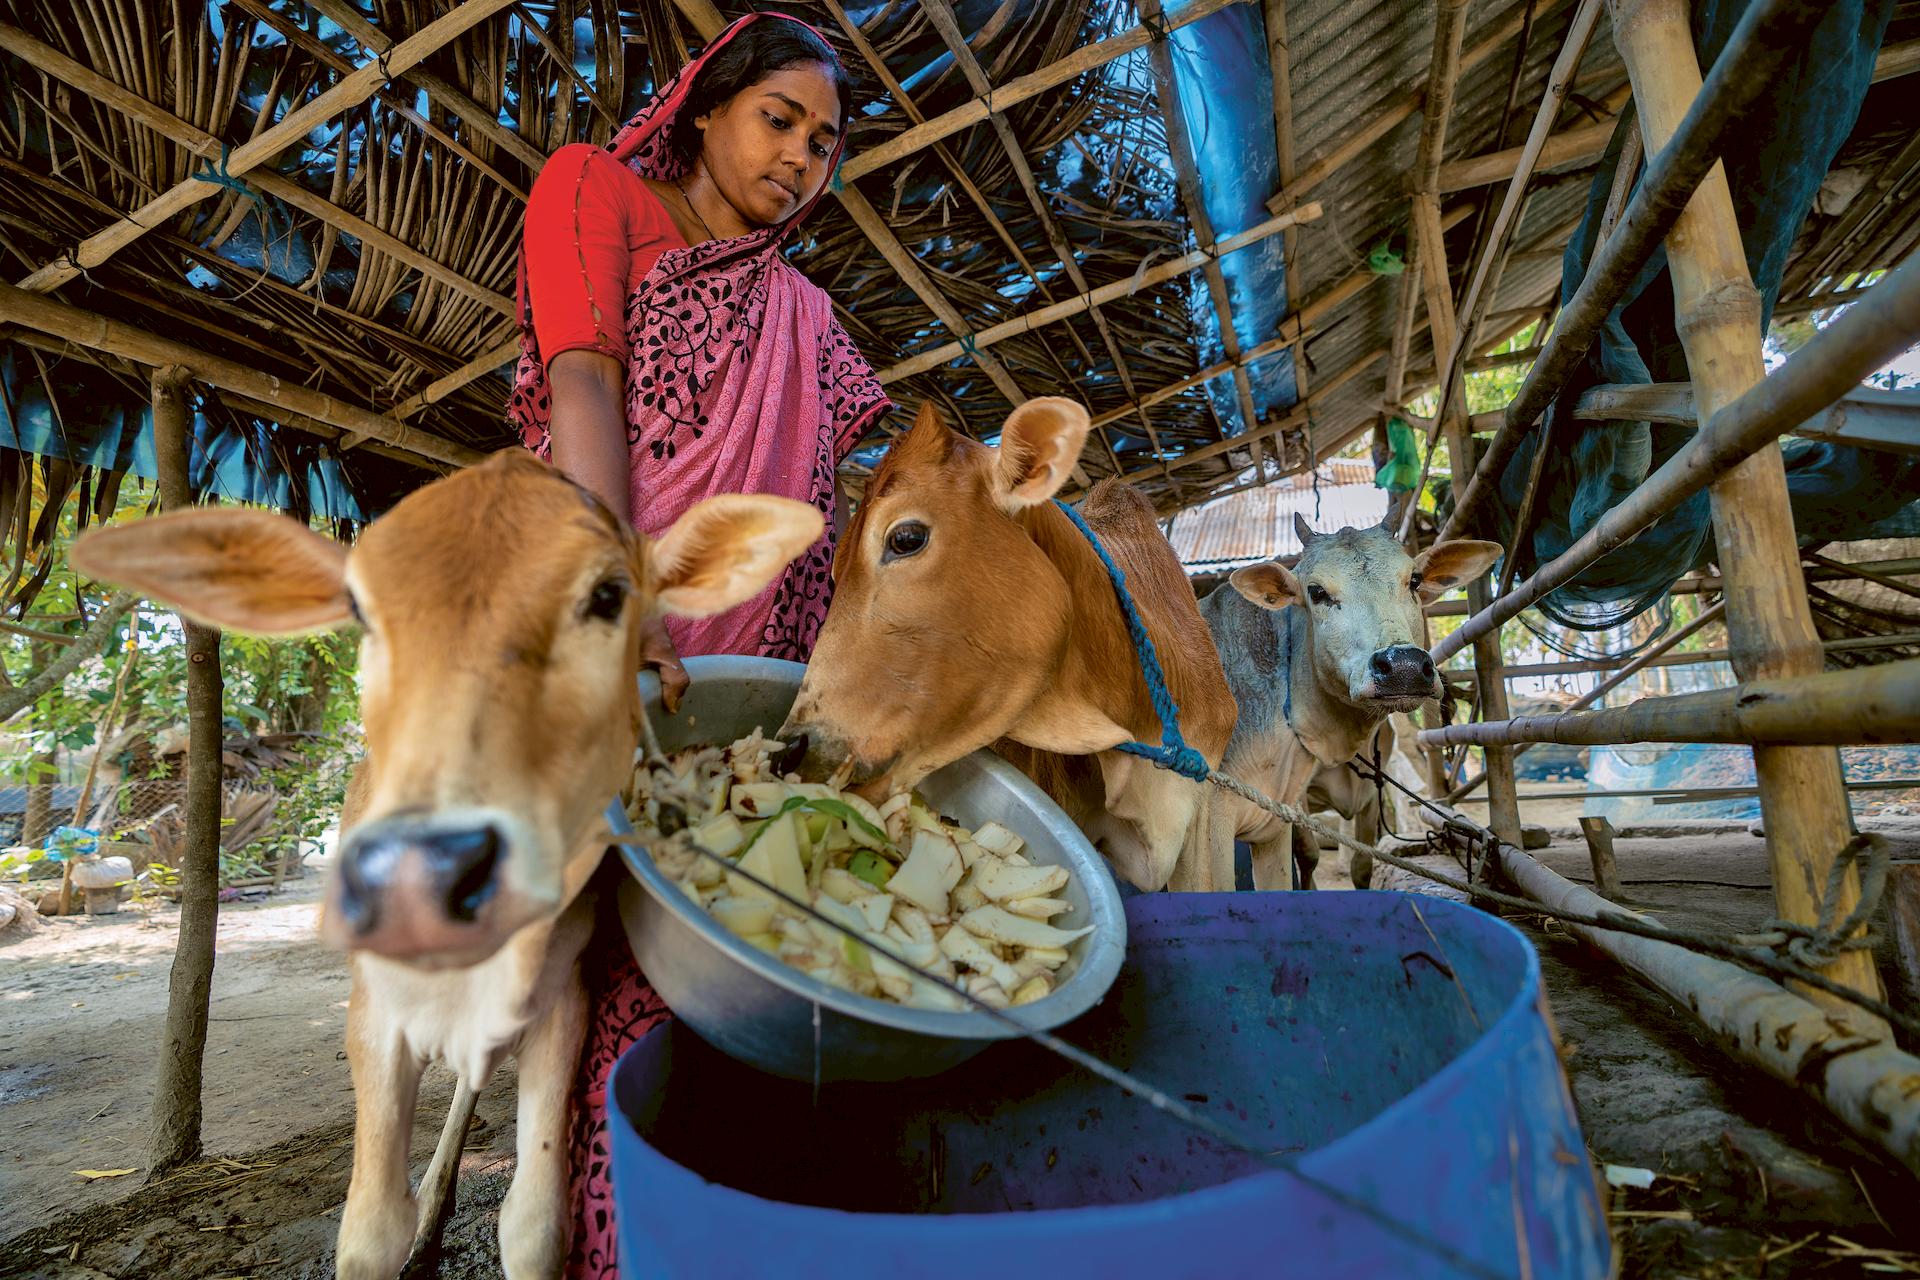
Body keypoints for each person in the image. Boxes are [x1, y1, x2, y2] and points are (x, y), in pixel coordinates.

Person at [507, 14, 889, 1274]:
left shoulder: (809, 317)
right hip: (610, 631)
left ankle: (745, 1222)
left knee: (744, 940)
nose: (801, 159)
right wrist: (624, 600)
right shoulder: (595, 188)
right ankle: (610, 1228)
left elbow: (845, 495)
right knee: (574, 952)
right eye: (779, 120)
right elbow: (583, 386)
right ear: (705, 109)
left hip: (755, 681)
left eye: (826, 143)